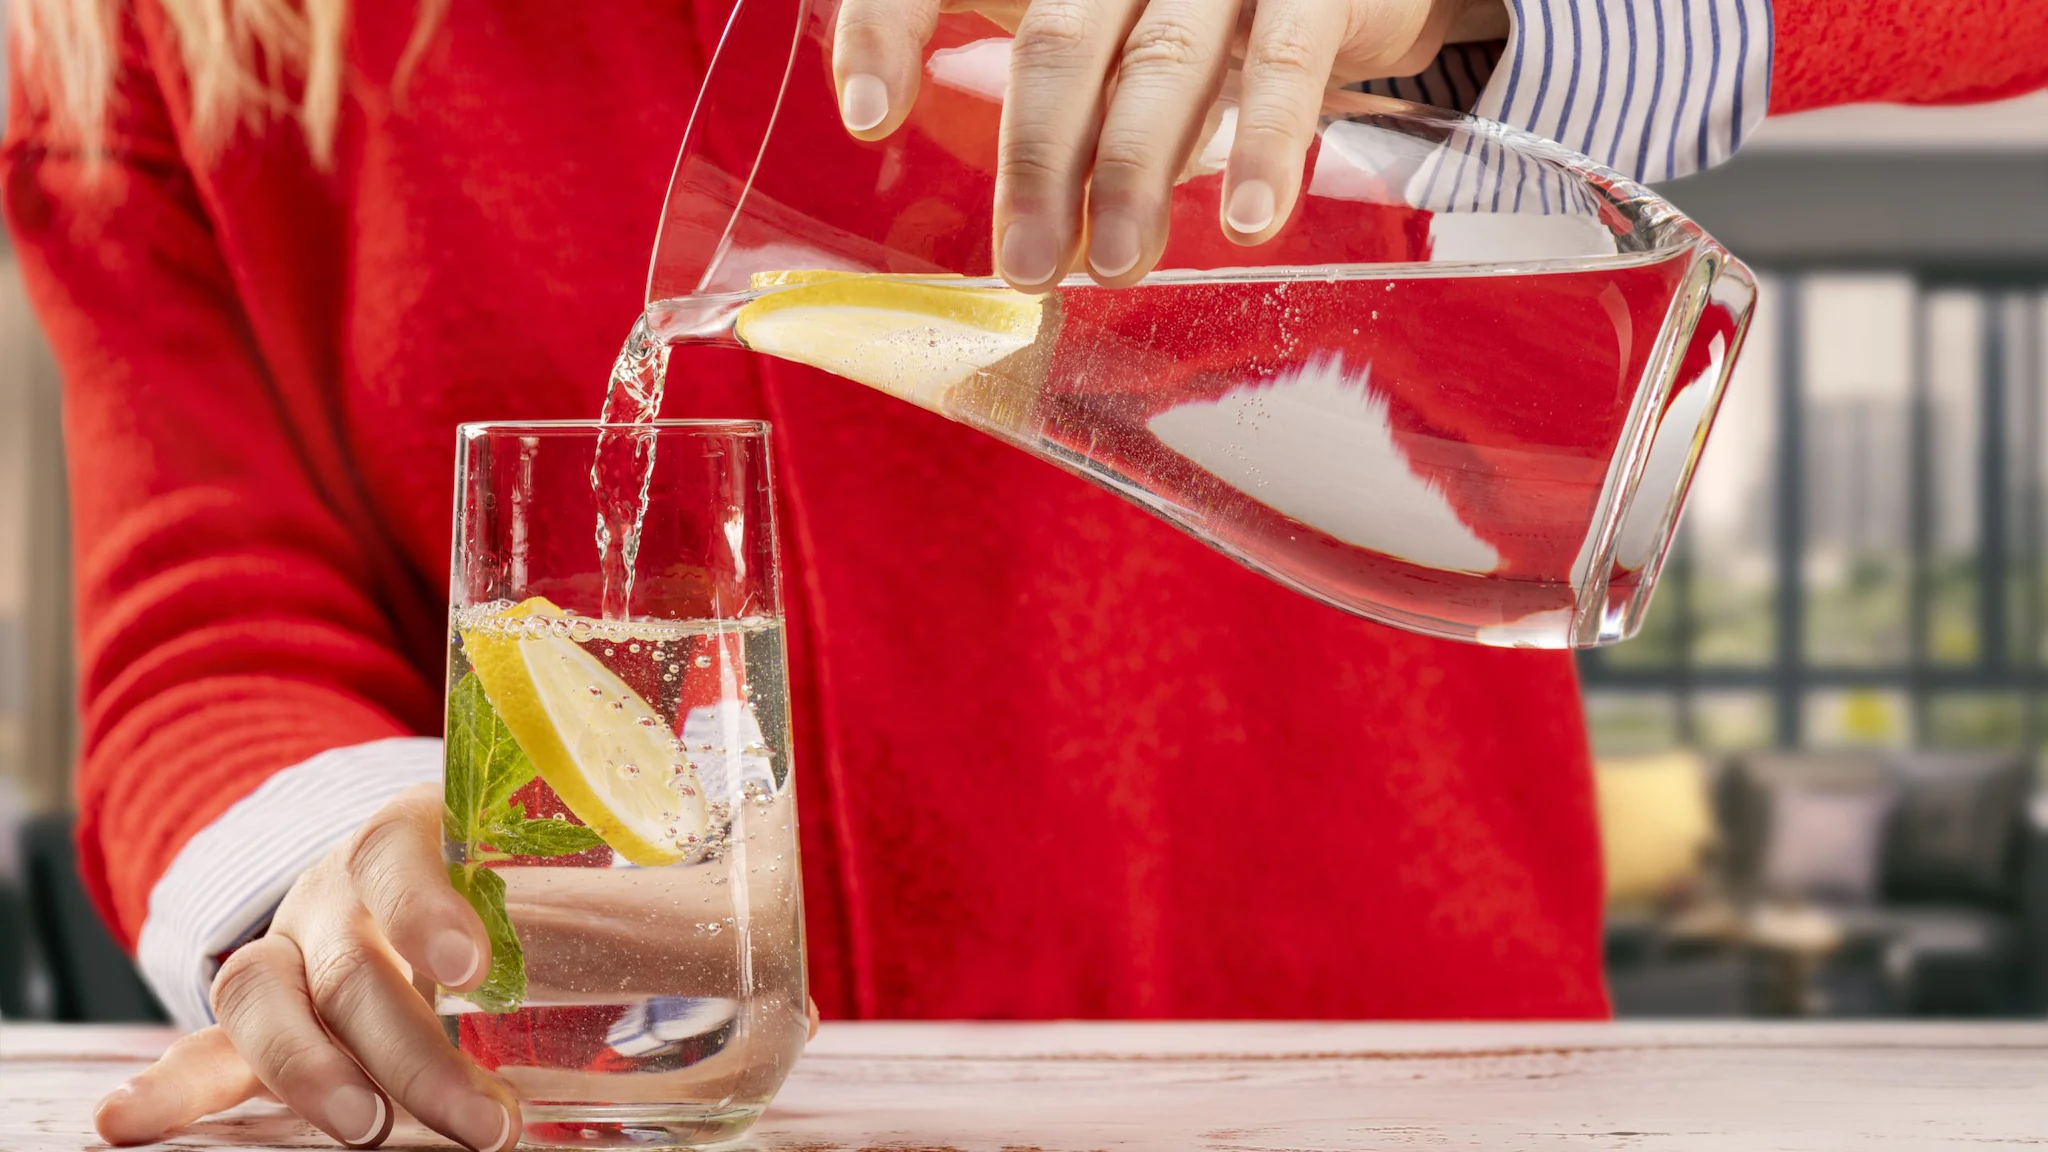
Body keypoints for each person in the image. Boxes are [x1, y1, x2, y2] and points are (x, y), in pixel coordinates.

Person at [4, 0, 2043, 1148]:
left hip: (1388, 1093)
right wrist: (359, 869)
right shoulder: (153, 55)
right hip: (637, 1133)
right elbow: (211, 614)